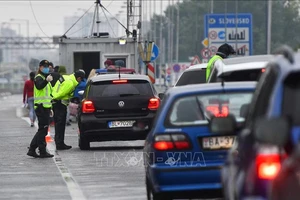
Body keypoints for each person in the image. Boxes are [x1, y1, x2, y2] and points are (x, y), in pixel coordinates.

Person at [51, 70, 85, 150]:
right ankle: (60, 144)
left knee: (59, 124)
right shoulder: (70, 83)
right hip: (60, 104)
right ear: (78, 78)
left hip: (57, 104)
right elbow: (61, 93)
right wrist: (54, 98)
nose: (80, 82)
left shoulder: (66, 77)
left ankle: (60, 142)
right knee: (60, 125)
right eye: (81, 79)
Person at [27, 60, 54, 158]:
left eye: (48, 66)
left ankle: (32, 149)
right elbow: (39, 87)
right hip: (41, 107)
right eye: (45, 66)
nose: (47, 68)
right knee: (43, 130)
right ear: (40, 67)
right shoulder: (39, 77)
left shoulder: (45, 77)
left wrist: (50, 106)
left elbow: (48, 95)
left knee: (43, 130)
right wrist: (46, 81)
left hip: (45, 107)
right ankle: (42, 151)